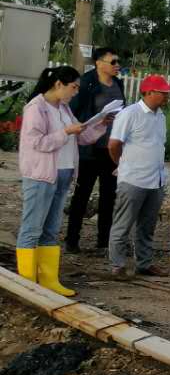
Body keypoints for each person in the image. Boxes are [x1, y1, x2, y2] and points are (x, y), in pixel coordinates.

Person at [18, 66, 113, 294]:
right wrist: (66, 132)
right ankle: (26, 284)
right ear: (58, 84)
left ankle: (48, 280)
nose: (76, 92)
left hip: (63, 174)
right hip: (41, 176)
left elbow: (82, 137)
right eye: (74, 87)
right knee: (32, 228)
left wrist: (101, 124)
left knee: (51, 229)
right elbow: (37, 142)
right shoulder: (36, 108)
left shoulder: (63, 108)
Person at [108, 75, 170, 279]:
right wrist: (122, 164)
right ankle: (117, 265)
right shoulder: (129, 114)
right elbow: (114, 144)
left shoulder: (160, 116)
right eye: (163, 92)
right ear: (149, 92)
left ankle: (144, 263)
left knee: (147, 225)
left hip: (156, 179)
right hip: (133, 179)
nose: (167, 96)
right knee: (123, 224)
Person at [65, 47, 125, 254]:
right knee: (82, 195)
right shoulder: (86, 84)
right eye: (113, 61)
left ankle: (103, 242)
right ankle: (72, 240)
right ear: (99, 63)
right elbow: (73, 113)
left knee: (109, 197)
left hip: (111, 149)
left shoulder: (118, 84)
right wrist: (94, 122)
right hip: (89, 149)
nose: (117, 65)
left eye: (118, 61)